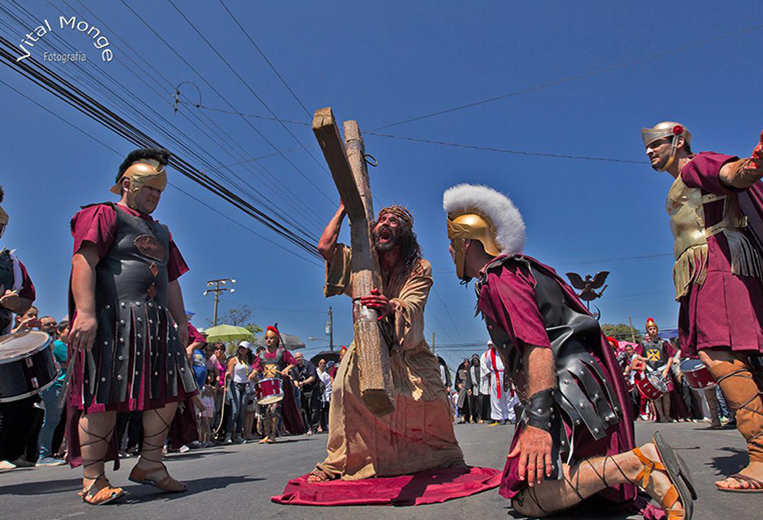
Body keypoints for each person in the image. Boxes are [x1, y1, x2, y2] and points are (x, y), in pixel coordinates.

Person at [444, 183, 695, 518]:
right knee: (569, 488)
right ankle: (644, 471)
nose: (448, 251)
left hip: (566, 386)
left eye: (451, 242)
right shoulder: (525, 268)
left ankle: (639, 463)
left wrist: (537, 423)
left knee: (530, 497)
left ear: (466, 241)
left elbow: (538, 346)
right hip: (581, 380)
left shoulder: (499, 278)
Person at [66, 148, 199, 504]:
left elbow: (172, 281)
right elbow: (84, 260)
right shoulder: (103, 214)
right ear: (127, 184)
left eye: (160, 191)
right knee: (102, 398)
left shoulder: (163, 232)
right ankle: (93, 480)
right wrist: (86, 312)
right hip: (112, 319)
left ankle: (151, 465)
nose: (155, 196)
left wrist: (181, 323)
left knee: (169, 394)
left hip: (155, 325)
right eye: (149, 188)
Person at [642, 122, 763, 491]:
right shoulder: (682, 180)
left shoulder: (697, 164)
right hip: (705, 270)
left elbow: (731, 173)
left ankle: (760, 458)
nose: (650, 151)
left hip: (720, 264)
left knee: (720, 355)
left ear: (679, 141)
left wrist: (753, 165)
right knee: (738, 358)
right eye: (647, 147)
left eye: (657, 144)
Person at [310, 202, 464, 482]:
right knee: (343, 388)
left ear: (404, 233)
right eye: (382, 219)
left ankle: (444, 456)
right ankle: (340, 462)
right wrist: (345, 209)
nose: (385, 224)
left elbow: (413, 304)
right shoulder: (363, 261)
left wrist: (390, 306)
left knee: (433, 396)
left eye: (393, 221)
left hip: (408, 349)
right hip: (367, 342)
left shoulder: (419, 266)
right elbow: (325, 247)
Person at [0, 185, 38, 472]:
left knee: (19, 399)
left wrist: (16, 303)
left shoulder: (10, 263)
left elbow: (28, 303)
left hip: (1, 341)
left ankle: (8, 452)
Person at [251, 326, 299, 444]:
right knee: (265, 410)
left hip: (278, 385)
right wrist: (253, 373)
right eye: (267, 338)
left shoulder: (282, 352)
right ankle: (266, 434)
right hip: (265, 386)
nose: (268, 340)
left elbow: (293, 362)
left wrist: (287, 368)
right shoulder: (261, 355)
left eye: (271, 338)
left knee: (275, 409)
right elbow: (255, 368)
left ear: (276, 339)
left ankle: (273, 434)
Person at [37, 321, 69, 466]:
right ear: (60, 331)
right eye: (69, 328)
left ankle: (47, 453)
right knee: (51, 420)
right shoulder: (58, 346)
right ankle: (43, 455)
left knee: (55, 421)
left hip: (63, 386)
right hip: (56, 386)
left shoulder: (66, 346)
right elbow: (71, 361)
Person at [224, 342, 253, 444]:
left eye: (244, 348)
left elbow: (252, 372)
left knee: (242, 411)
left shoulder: (249, 361)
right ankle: (228, 435)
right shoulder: (234, 360)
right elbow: (230, 374)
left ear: (248, 350)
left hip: (246, 386)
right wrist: (228, 376)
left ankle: (238, 435)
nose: (242, 350)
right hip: (235, 384)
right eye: (240, 347)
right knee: (235, 410)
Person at [466, 354, 484, 424]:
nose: (475, 361)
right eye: (474, 359)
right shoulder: (471, 369)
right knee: (473, 404)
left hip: (482, 387)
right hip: (474, 387)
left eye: (476, 359)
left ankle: (481, 417)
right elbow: (469, 379)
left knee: (481, 403)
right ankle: (474, 417)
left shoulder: (482, 367)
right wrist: (469, 388)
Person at [317, 359, 332, 432]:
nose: (322, 364)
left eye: (324, 363)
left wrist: (329, 396)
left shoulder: (327, 375)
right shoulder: (315, 373)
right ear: (318, 364)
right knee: (318, 411)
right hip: (317, 393)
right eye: (321, 363)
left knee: (326, 411)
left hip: (325, 394)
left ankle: (326, 425)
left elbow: (328, 386)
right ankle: (319, 426)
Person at [455, 358, 472, 423]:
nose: (466, 364)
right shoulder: (460, 369)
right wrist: (458, 384)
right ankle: (463, 417)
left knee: (470, 403)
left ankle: (471, 417)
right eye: (465, 362)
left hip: (469, 387)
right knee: (461, 403)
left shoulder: (470, 369)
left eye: (467, 362)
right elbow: (457, 378)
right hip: (462, 387)